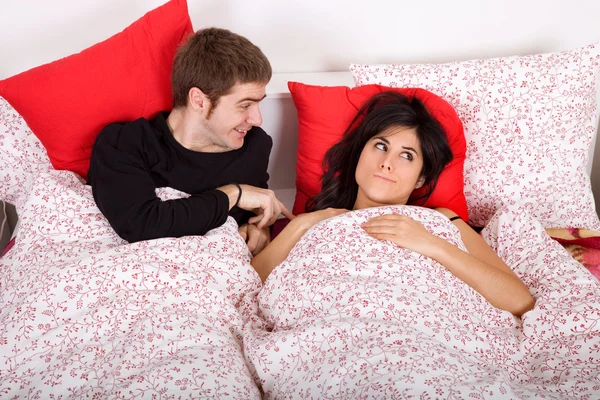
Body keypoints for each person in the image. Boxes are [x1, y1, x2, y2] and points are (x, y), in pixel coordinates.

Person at [251, 91, 535, 317]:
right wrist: (301, 224)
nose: (387, 163)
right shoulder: (310, 223)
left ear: (422, 177)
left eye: (407, 155)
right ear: (360, 152)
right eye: (381, 146)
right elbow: (249, 286)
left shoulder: (440, 220)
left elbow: (519, 300)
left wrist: (429, 243)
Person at [88, 28, 293, 252]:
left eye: (258, 103)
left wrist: (259, 229)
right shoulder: (127, 143)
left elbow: (255, 209)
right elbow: (140, 224)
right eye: (245, 105)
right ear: (199, 100)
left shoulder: (254, 146)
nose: (258, 119)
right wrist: (234, 193)